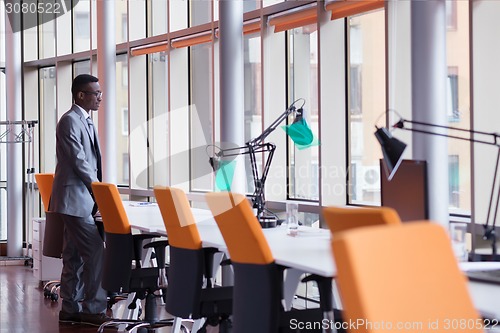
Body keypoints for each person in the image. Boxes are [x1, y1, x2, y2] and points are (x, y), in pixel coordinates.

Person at [50, 74, 110, 326]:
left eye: (100, 93)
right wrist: (98, 190)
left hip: (80, 199)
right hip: (74, 199)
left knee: (73, 255)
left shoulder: (85, 121)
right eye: (95, 93)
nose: (99, 97)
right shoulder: (70, 121)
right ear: (80, 95)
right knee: (96, 252)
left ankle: (70, 308)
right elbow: (79, 161)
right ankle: (93, 309)